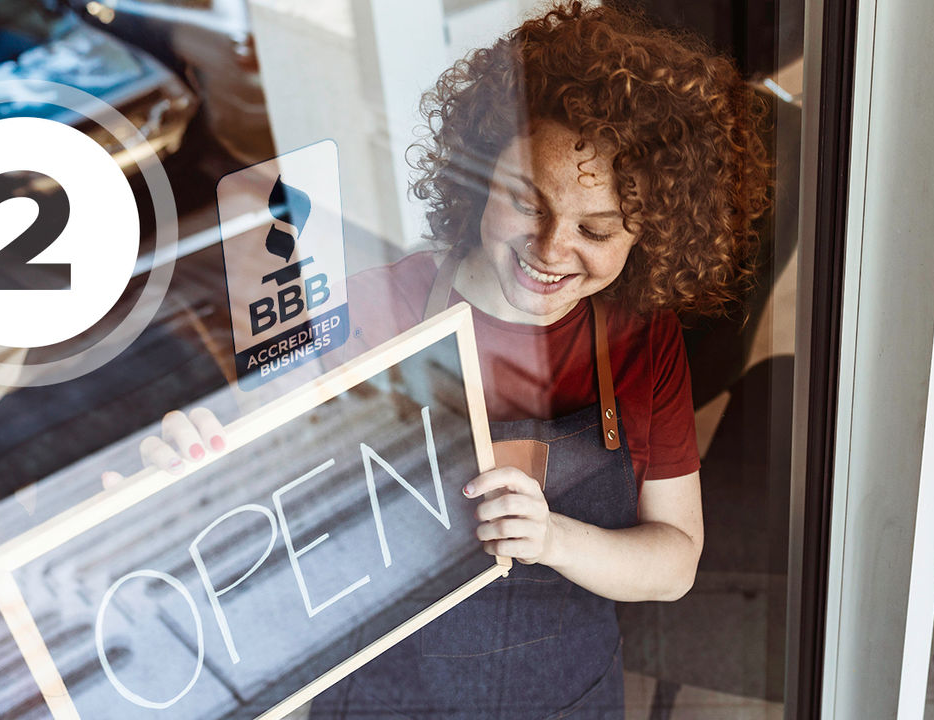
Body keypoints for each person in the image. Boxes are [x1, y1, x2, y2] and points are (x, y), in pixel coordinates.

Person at [114, 3, 770, 716]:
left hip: (566, 697)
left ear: (653, 234)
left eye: (596, 229)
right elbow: (262, 480)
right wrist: (195, 477)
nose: (551, 250)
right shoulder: (368, 309)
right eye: (526, 201)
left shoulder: (642, 339)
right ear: (480, 173)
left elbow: (673, 562)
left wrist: (553, 537)